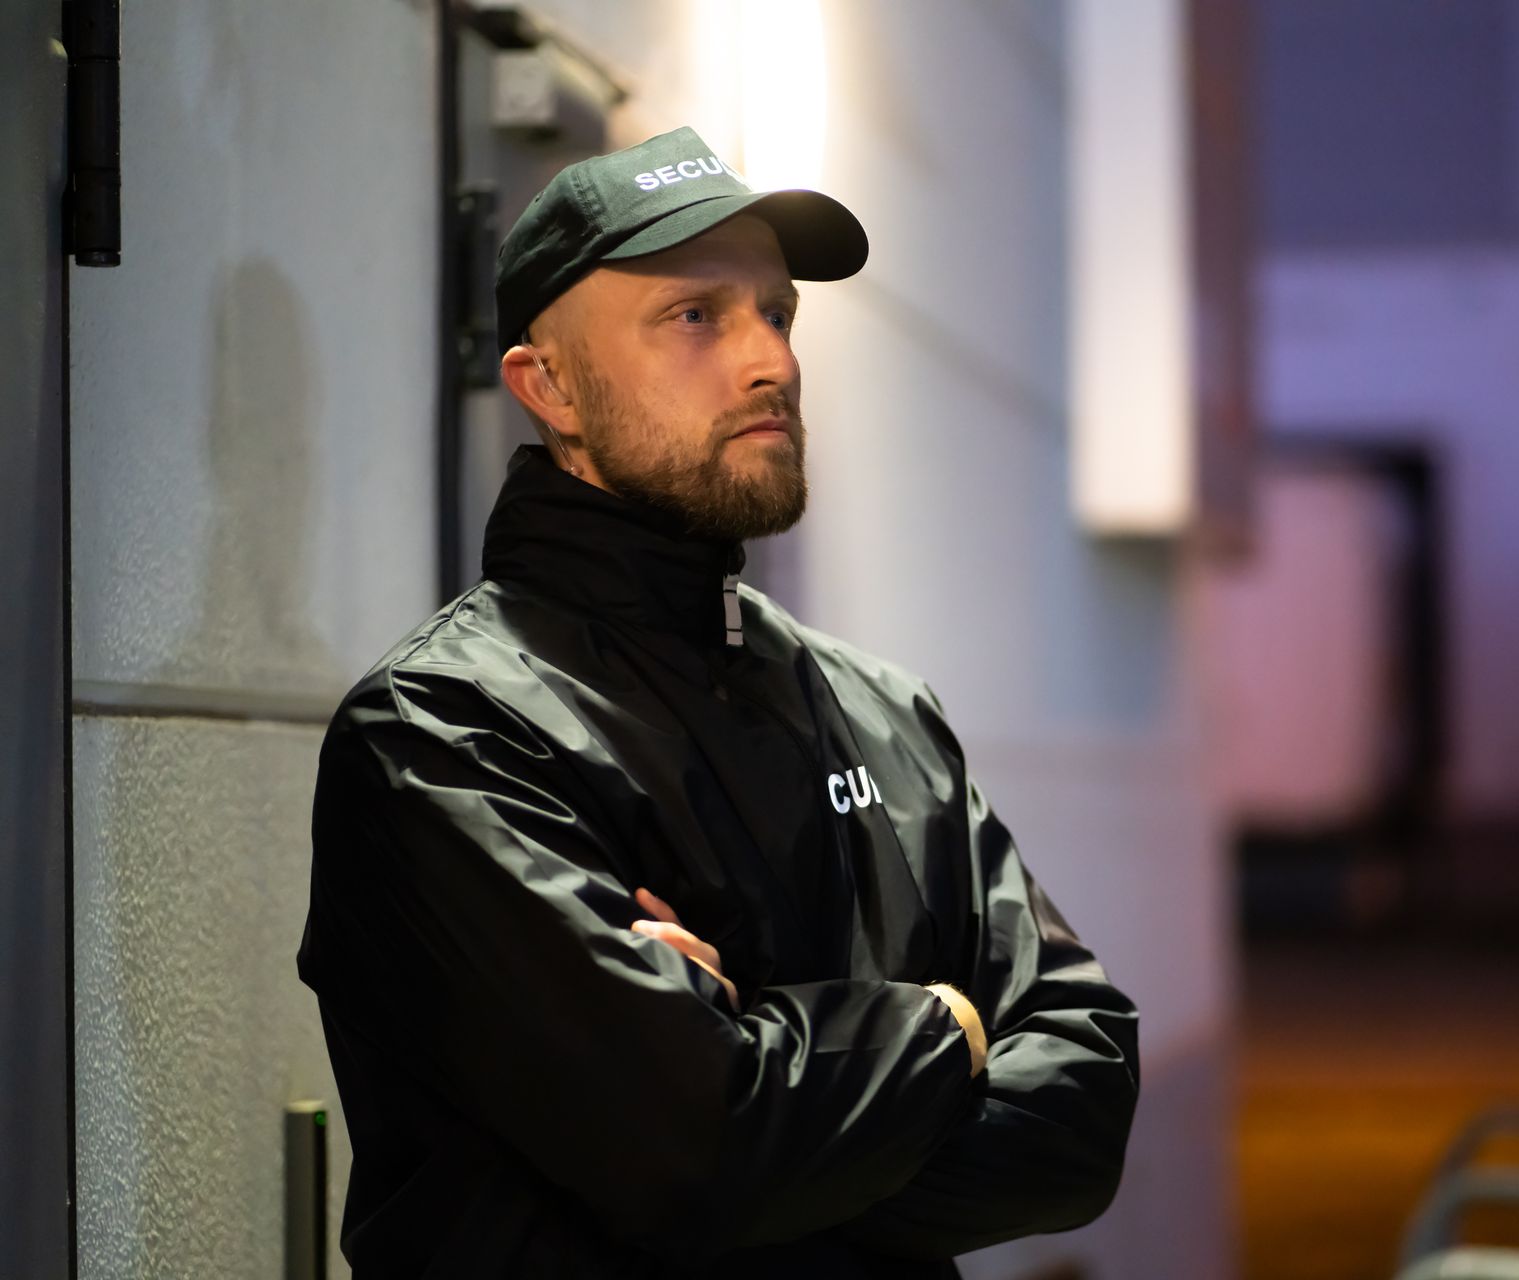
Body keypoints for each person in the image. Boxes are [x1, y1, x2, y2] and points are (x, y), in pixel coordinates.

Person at [296, 126, 1139, 1278]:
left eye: (779, 314)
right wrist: (950, 1022)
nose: (772, 364)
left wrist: (768, 1091)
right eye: (696, 316)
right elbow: (702, 1140)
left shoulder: (882, 710)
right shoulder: (443, 734)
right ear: (550, 387)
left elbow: (1086, 1103)